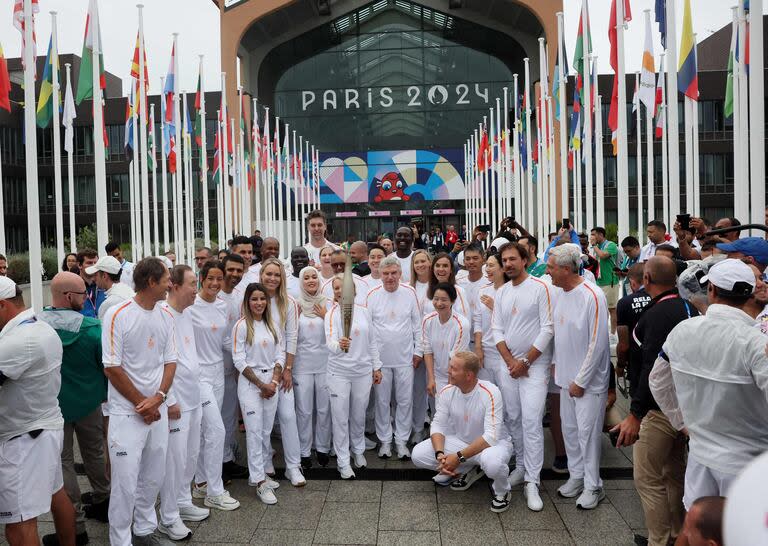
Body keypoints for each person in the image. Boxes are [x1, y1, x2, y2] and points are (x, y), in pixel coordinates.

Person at [650, 259, 768, 509]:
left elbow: (658, 382)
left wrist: (683, 424)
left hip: (701, 458)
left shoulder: (682, 331)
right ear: (750, 293)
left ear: (711, 290)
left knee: (699, 531)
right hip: (748, 466)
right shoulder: (756, 343)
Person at [611, 257, 697, 546]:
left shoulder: (657, 314)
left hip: (657, 410)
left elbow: (651, 367)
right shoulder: (689, 308)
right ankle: (676, 534)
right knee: (674, 473)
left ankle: (658, 540)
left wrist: (635, 413)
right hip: (685, 408)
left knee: (648, 478)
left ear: (646, 278)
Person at [101, 258, 178, 545]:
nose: (170, 284)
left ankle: (144, 530)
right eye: (166, 279)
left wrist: (158, 399)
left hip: (156, 411)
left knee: (153, 476)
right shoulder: (117, 314)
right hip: (125, 413)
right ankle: (120, 540)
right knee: (124, 483)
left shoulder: (166, 315)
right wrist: (140, 404)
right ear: (151, 282)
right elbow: (111, 366)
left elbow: (171, 361)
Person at [0, 277, 76, 546]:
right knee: (57, 496)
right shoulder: (40, 328)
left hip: (23, 439)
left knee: (19, 526)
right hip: (43, 428)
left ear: (2, 306)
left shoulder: (17, 341)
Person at [39, 273, 110, 545]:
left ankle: (75, 526)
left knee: (63, 463)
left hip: (54, 406)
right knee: (95, 452)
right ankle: (104, 500)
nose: (86, 297)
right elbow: (106, 365)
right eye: (82, 293)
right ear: (69, 296)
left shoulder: (38, 327)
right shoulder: (93, 329)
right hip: (90, 402)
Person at [546, 244, 611, 510]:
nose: (547, 271)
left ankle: (594, 486)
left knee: (588, 434)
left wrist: (581, 381)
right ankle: (576, 476)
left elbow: (598, 344)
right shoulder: (560, 293)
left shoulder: (592, 295)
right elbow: (558, 334)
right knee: (570, 431)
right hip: (564, 378)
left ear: (565, 269)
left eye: (550, 267)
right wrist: (555, 365)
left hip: (588, 383)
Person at [491, 242, 554, 511]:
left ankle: (532, 480)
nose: (507, 264)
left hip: (534, 365)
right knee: (513, 417)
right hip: (510, 365)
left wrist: (526, 360)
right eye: (504, 260)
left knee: (531, 420)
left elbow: (548, 329)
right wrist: (510, 361)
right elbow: (497, 330)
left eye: (512, 259)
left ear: (525, 260)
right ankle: (521, 466)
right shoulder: (502, 291)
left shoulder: (541, 288)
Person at [411, 352, 513, 513]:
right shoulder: (447, 391)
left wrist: (458, 458)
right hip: (463, 443)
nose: (448, 371)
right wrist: (440, 455)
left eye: (453, 368)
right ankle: (468, 469)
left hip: (492, 445)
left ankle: (503, 491)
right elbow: (437, 425)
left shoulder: (491, 392)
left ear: (469, 375)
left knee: (492, 464)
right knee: (418, 455)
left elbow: (491, 437)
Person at [158, 265, 210, 541]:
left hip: (194, 397)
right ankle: (168, 517)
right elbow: (161, 363)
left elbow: (191, 355)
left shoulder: (186, 313)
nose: (196, 288)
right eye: (192, 283)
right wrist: (170, 399)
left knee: (190, 455)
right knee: (174, 460)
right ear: (174, 286)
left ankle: (183, 500)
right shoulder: (163, 316)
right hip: (175, 402)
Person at [187, 261, 242, 510]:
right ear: (201, 279)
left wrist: (246, 359)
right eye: (211, 278)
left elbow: (226, 342)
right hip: (198, 377)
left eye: (219, 279)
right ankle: (214, 490)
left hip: (218, 372)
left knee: (206, 430)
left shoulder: (221, 306)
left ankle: (200, 483)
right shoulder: (189, 307)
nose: (215, 284)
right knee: (216, 430)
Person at [324, 274, 383, 479]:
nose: (341, 291)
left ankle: (358, 450)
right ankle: (342, 460)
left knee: (358, 414)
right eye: (337, 288)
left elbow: (373, 342)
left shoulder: (364, 313)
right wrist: (339, 346)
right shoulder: (331, 314)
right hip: (339, 373)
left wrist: (377, 367)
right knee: (340, 417)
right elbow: (330, 344)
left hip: (362, 372)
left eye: (345, 287)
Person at [232, 283, 285, 505]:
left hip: (271, 384)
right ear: (247, 301)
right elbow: (238, 359)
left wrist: (272, 381)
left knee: (264, 431)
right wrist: (260, 384)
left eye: (262, 299)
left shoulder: (272, 325)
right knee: (253, 433)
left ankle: (262, 471)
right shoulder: (242, 326)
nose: (259, 303)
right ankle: (259, 481)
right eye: (254, 299)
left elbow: (280, 354)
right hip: (251, 385)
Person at [366, 256, 422, 460]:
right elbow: (369, 330)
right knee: (382, 401)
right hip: (381, 361)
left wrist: (419, 352)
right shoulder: (372, 294)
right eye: (386, 273)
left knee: (405, 400)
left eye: (393, 273)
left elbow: (417, 324)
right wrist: (374, 362)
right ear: (380, 274)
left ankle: (401, 441)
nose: (390, 277)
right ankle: (385, 442)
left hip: (405, 358)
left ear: (400, 274)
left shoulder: (410, 292)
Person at [259, 258, 306, 486]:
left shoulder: (288, 302)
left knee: (287, 416)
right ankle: (265, 457)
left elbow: (291, 337)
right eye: (268, 274)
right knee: (263, 420)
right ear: (261, 276)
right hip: (259, 370)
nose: (272, 278)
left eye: (276, 275)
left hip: (282, 370)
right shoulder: (253, 300)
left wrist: (288, 368)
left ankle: (293, 467)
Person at [293, 266, 331, 469]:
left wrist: (327, 317)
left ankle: (323, 447)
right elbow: (289, 336)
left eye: (313, 277)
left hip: (325, 364)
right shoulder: (295, 305)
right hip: (302, 365)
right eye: (306, 278)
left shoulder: (328, 304)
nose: (310, 281)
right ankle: (304, 451)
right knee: (304, 410)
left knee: (324, 408)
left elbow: (337, 331)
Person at [216, 254, 249, 480]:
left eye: (240, 270)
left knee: (228, 419)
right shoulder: (212, 296)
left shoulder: (239, 297)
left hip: (233, 369)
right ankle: (211, 466)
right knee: (213, 422)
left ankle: (226, 460)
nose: (235, 274)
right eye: (232, 270)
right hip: (212, 369)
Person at [422, 282, 471, 396]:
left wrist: (450, 386)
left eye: (444, 300)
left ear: (452, 301)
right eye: (436, 299)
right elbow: (428, 351)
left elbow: (455, 358)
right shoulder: (427, 320)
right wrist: (431, 379)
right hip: (436, 376)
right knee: (437, 412)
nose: (439, 303)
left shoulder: (462, 324)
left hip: (458, 375)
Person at [615, 263, 651, 395]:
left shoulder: (625, 303)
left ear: (632, 282)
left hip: (636, 361)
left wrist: (620, 365)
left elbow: (623, 345)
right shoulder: (662, 298)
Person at [590, 227, 620, 336]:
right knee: (602, 309)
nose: (592, 237)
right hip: (599, 282)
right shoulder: (597, 247)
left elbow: (603, 256)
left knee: (612, 309)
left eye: (594, 234)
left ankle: (613, 334)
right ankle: (603, 333)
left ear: (601, 235)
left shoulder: (611, 245)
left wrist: (594, 246)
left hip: (610, 281)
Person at [87, 256, 135, 321]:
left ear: (104, 276)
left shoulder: (109, 304)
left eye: (96, 275)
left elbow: (103, 330)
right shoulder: (128, 291)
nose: (93, 278)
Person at [456, 243, 486, 344]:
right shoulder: (457, 283)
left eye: (475, 258)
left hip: (484, 340)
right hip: (462, 340)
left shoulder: (491, 283)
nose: (471, 262)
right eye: (468, 259)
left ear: (483, 260)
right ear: (464, 261)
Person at [423, 253, 469, 318]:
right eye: (438, 265)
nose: (441, 269)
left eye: (445, 266)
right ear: (433, 269)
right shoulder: (427, 289)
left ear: (451, 270)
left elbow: (465, 320)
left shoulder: (459, 291)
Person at [77, 249, 105, 318]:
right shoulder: (73, 286)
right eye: (89, 263)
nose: (93, 266)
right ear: (79, 265)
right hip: (84, 327)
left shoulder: (104, 286)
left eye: (96, 263)